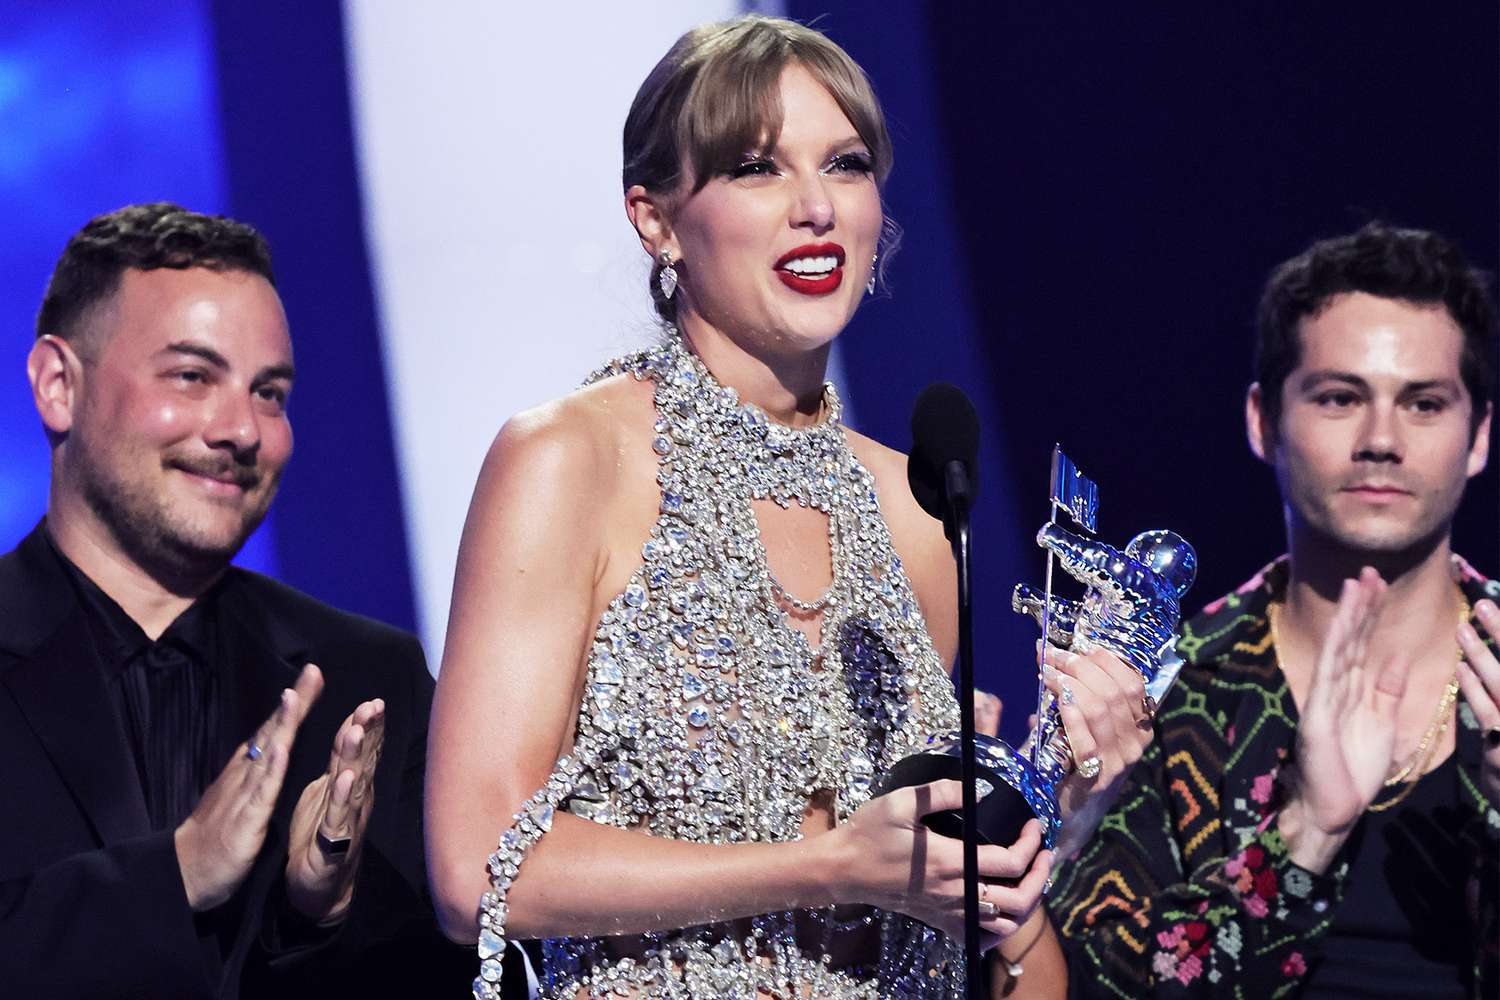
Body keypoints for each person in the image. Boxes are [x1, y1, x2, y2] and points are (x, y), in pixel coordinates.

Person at [427, 15, 1154, 1000]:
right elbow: (475, 868)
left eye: (845, 165)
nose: (815, 206)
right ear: (654, 217)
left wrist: (1046, 823)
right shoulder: (570, 461)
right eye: (757, 168)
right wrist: (820, 866)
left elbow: (987, 961)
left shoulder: (915, 509)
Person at [1, 202, 490, 998]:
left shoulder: (372, 680)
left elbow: (474, 981)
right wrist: (177, 874)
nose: (242, 431)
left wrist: (316, 915)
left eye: (270, 393)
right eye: (193, 376)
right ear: (59, 385)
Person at [1048, 222, 1500, 997]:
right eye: (1338, 398)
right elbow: (1090, 981)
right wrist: (1304, 832)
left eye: (1424, 404)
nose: (1382, 440)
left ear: (1479, 435)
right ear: (1263, 420)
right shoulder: (1170, 687)